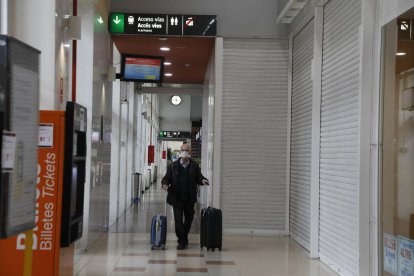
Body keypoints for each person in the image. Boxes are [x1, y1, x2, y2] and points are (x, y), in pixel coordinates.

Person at [161, 143, 209, 249]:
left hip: (189, 198)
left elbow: (199, 177)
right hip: (176, 198)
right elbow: (166, 178)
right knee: (178, 221)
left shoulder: (194, 166)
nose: (185, 152)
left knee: (189, 219)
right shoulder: (173, 166)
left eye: (187, 150)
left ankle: (183, 237)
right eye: (183, 150)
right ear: (180, 151)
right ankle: (182, 241)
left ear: (190, 152)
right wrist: (164, 184)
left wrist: (203, 180)